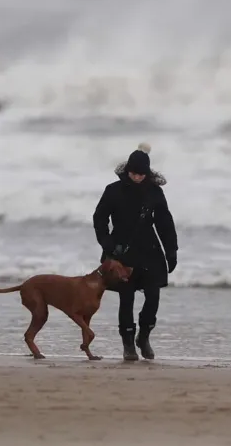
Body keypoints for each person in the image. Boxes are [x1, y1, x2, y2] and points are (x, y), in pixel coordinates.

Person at [92, 142, 178, 361]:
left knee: (153, 298)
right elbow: (99, 218)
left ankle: (144, 337)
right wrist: (108, 244)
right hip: (122, 253)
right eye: (133, 173)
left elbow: (164, 223)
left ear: (147, 173)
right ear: (127, 170)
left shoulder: (155, 192)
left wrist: (171, 251)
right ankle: (128, 344)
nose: (137, 177)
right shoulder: (113, 190)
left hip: (150, 251)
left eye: (141, 174)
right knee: (126, 299)